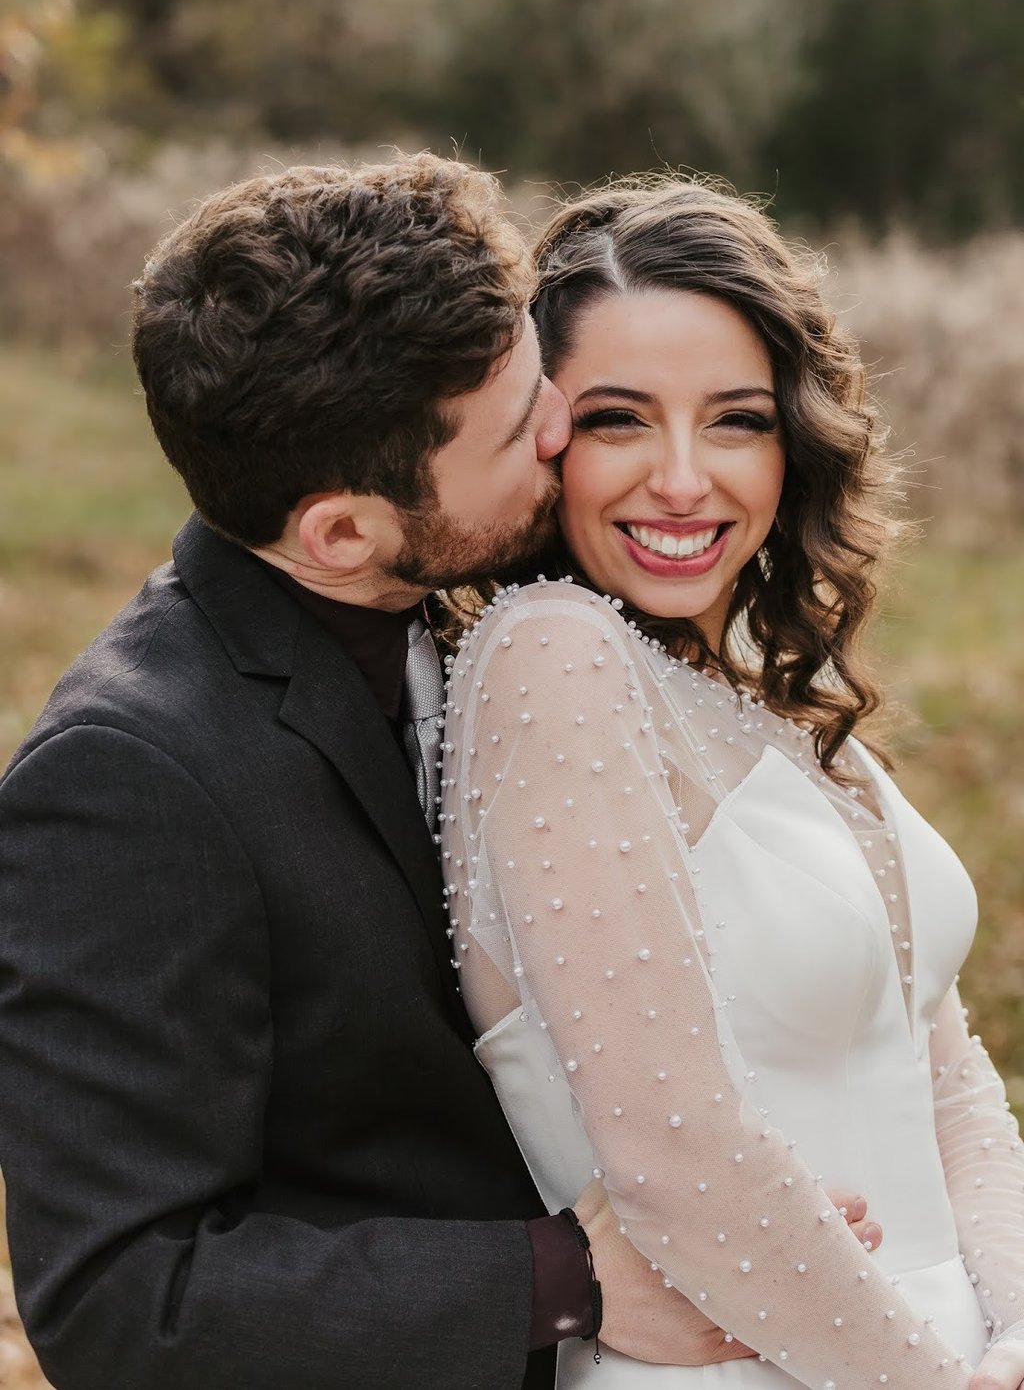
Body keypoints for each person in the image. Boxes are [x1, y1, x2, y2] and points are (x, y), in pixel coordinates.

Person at [0, 154, 855, 1390]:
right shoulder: (127, 782)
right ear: (342, 531)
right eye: (518, 429)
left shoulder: (481, 607)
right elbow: (122, 1296)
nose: (562, 425)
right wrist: (563, 1278)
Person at [439, 177, 1024, 1390]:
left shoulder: (769, 678)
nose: (681, 479)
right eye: (617, 419)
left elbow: (942, 1077)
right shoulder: (553, 657)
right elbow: (675, 1157)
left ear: (792, 440)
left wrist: (1014, 1327)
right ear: (542, 435)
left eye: (735, 420)